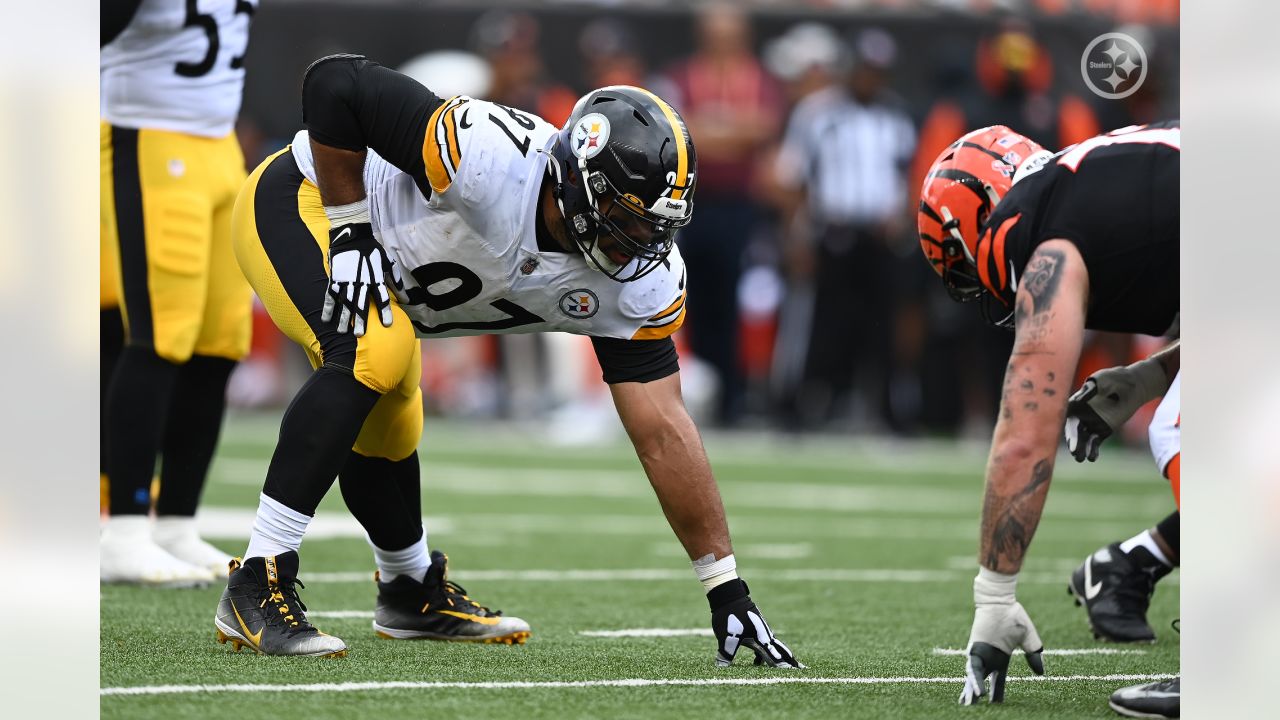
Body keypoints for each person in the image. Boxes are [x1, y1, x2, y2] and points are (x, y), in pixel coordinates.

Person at [214, 54, 802, 668]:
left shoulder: (638, 278)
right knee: (375, 352)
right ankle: (258, 577)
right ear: (576, 184)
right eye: (626, 222)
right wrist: (351, 224)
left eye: (654, 228)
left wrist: (726, 589)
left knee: (392, 408)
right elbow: (333, 83)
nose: (638, 247)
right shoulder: (489, 159)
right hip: (302, 200)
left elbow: (663, 430)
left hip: (391, 274)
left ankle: (410, 589)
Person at [916, 120, 1179, 712]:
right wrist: (1149, 375)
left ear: (981, 214)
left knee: (1180, 425)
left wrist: (995, 595)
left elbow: (1024, 436)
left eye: (961, 265)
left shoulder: (1039, 228)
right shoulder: (1107, 175)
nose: (978, 283)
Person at [100, 0, 257, 585]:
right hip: (147, 136)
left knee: (219, 342)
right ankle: (123, 528)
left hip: (219, 145)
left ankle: (176, 523)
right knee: (159, 334)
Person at [772, 27, 917, 431]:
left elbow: (906, 177)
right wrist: (796, 237)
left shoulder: (897, 116)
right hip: (833, 234)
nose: (871, 79)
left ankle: (887, 410)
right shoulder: (818, 113)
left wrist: (901, 219)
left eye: (879, 71)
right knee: (823, 324)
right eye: (866, 69)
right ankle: (805, 405)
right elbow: (792, 180)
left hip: (879, 236)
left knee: (881, 327)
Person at [658, 1, 783, 425]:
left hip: (739, 205)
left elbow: (765, 124)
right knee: (685, 298)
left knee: (735, 302)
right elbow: (678, 128)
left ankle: (733, 397)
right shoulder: (684, 75)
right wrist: (733, 132)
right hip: (692, 203)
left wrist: (712, 130)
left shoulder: (758, 78)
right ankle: (697, 393)